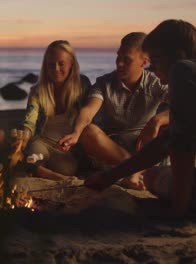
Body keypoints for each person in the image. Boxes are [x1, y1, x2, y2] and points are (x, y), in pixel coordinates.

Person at [85, 19, 196, 219]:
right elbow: (167, 141)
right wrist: (111, 176)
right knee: (152, 176)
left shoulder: (183, 70)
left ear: (177, 55)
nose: (152, 67)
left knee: (164, 182)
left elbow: (183, 147)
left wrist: (178, 211)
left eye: (155, 59)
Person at [59, 32, 169, 189]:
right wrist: (76, 133)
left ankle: (132, 172)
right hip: (112, 148)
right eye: (118, 57)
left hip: (143, 145)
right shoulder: (104, 82)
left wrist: (157, 120)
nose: (119, 64)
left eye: (127, 60)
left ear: (144, 62)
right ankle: (135, 172)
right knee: (87, 130)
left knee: (170, 128)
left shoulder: (156, 83)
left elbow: (183, 106)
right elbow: (88, 110)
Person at [19, 40, 91, 181]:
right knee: (32, 155)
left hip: (66, 147)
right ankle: (55, 176)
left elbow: (89, 115)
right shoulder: (38, 90)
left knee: (68, 168)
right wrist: (24, 136)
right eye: (51, 64)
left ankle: (43, 171)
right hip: (42, 142)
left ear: (72, 64)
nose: (56, 69)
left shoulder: (82, 85)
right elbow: (30, 121)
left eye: (61, 63)